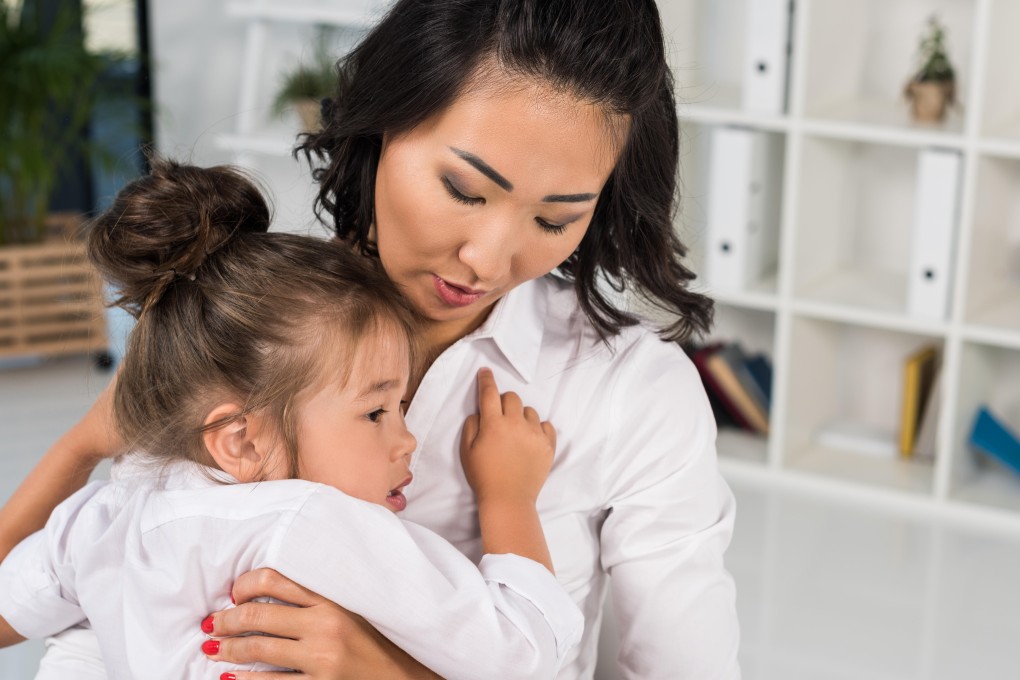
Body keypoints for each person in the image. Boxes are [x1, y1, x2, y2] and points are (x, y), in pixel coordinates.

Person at [0, 0, 742, 677]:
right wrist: (89, 440)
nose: (486, 259)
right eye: (463, 190)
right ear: (385, 121)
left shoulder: (631, 393)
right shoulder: (239, 321)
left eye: (555, 220)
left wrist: (381, 668)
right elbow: (89, 599)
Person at [0, 159, 584, 679]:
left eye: (401, 406)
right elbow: (521, 653)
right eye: (376, 411)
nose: (408, 440)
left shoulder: (103, 517)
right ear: (242, 442)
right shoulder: (309, 520)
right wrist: (508, 497)